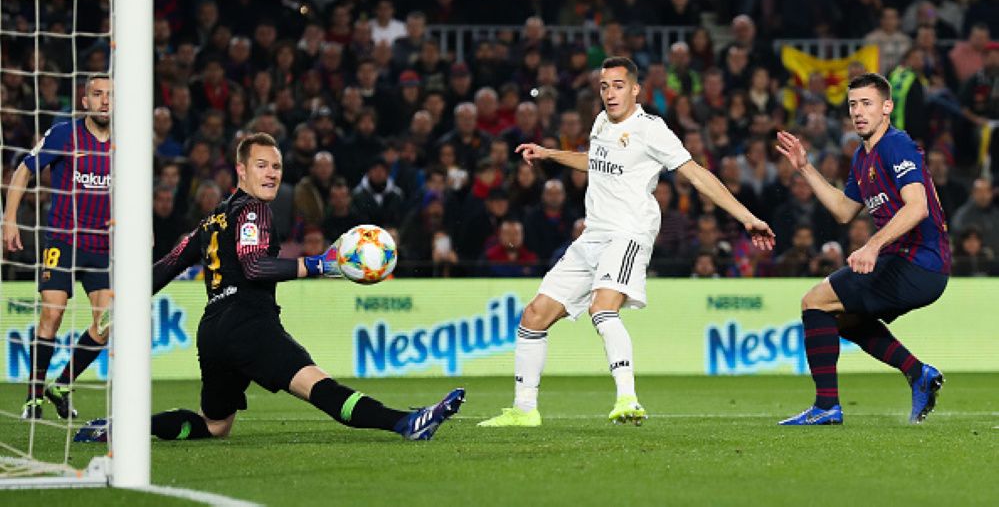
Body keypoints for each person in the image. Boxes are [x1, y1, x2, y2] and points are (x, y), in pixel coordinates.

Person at [479, 57, 774, 428]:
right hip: (593, 236)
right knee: (533, 316)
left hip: (628, 232)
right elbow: (596, 161)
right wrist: (551, 153)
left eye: (618, 85)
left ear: (635, 89)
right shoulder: (601, 122)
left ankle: (628, 399)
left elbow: (697, 174)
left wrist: (747, 217)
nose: (609, 93)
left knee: (602, 308)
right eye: (604, 86)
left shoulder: (652, 129)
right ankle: (524, 410)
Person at [143, 133, 463, 442]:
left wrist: (124, 300)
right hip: (248, 322)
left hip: (212, 331)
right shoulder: (253, 210)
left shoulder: (211, 220)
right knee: (317, 385)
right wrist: (317, 264)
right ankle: (406, 423)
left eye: (276, 166)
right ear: (241, 169)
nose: (271, 174)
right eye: (261, 165)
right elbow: (254, 267)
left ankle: (130, 427)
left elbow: (168, 265)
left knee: (214, 425)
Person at [774, 73, 950, 426]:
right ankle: (919, 373)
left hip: (919, 263)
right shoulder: (862, 156)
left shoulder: (895, 145)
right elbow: (843, 210)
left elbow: (917, 207)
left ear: (887, 107)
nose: (858, 111)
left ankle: (826, 406)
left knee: (814, 302)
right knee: (841, 317)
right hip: (906, 261)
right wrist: (806, 168)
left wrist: (872, 245)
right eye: (853, 104)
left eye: (867, 103)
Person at [4, 75, 113, 420]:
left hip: (101, 246)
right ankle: (33, 398)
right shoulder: (65, 134)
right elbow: (23, 170)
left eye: (111, 95)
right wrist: (9, 219)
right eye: (97, 94)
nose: (105, 101)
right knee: (52, 312)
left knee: (108, 322)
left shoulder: (127, 143)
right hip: (63, 240)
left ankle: (62, 384)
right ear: (85, 102)